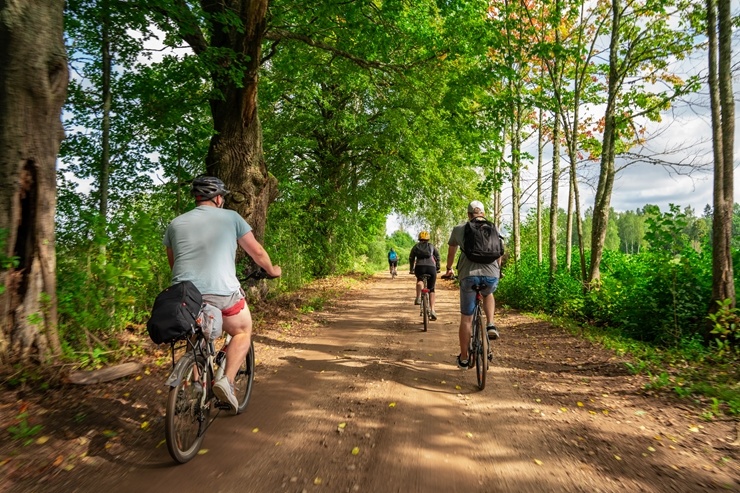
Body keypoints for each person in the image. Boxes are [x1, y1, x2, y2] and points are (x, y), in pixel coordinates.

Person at [163, 176, 281, 413]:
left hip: (185, 297)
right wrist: (272, 270)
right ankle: (225, 382)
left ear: (196, 198)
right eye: (223, 197)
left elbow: (174, 263)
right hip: (222, 293)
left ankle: (196, 383)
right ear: (218, 198)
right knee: (243, 330)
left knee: (194, 333)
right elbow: (257, 251)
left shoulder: (175, 224)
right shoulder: (232, 218)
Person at [444, 200, 501, 369]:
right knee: (488, 292)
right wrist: (497, 270)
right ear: (483, 213)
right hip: (491, 274)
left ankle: (463, 358)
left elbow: (451, 252)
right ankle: (490, 323)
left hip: (468, 277)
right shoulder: (494, 228)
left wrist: (449, 269)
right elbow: (499, 252)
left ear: (469, 215)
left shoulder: (459, 229)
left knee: (466, 319)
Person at [409, 231, 441, 321]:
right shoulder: (431, 246)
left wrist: (411, 269)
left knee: (419, 280)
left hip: (419, 267)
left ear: (419, 238)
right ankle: (433, 310)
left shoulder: (415, 247)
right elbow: (438, 257)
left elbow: (411, 258)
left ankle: (418, 297)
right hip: (431, 268)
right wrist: (437, 268)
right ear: (428, 238)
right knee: (432, 289)